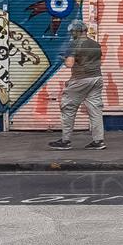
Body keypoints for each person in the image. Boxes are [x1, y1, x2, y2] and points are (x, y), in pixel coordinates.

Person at [48, 20, 105, 150]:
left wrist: (63, 58)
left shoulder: (74, 44)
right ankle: (98, 141)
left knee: (68, 108)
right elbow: (96, 61)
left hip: (80, 79)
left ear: (77, 31)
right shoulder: (96, 44)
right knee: (95, 110)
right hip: (96, 78)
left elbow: (70, 64)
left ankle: (65, 141)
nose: (71, 34)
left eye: (72, 31)